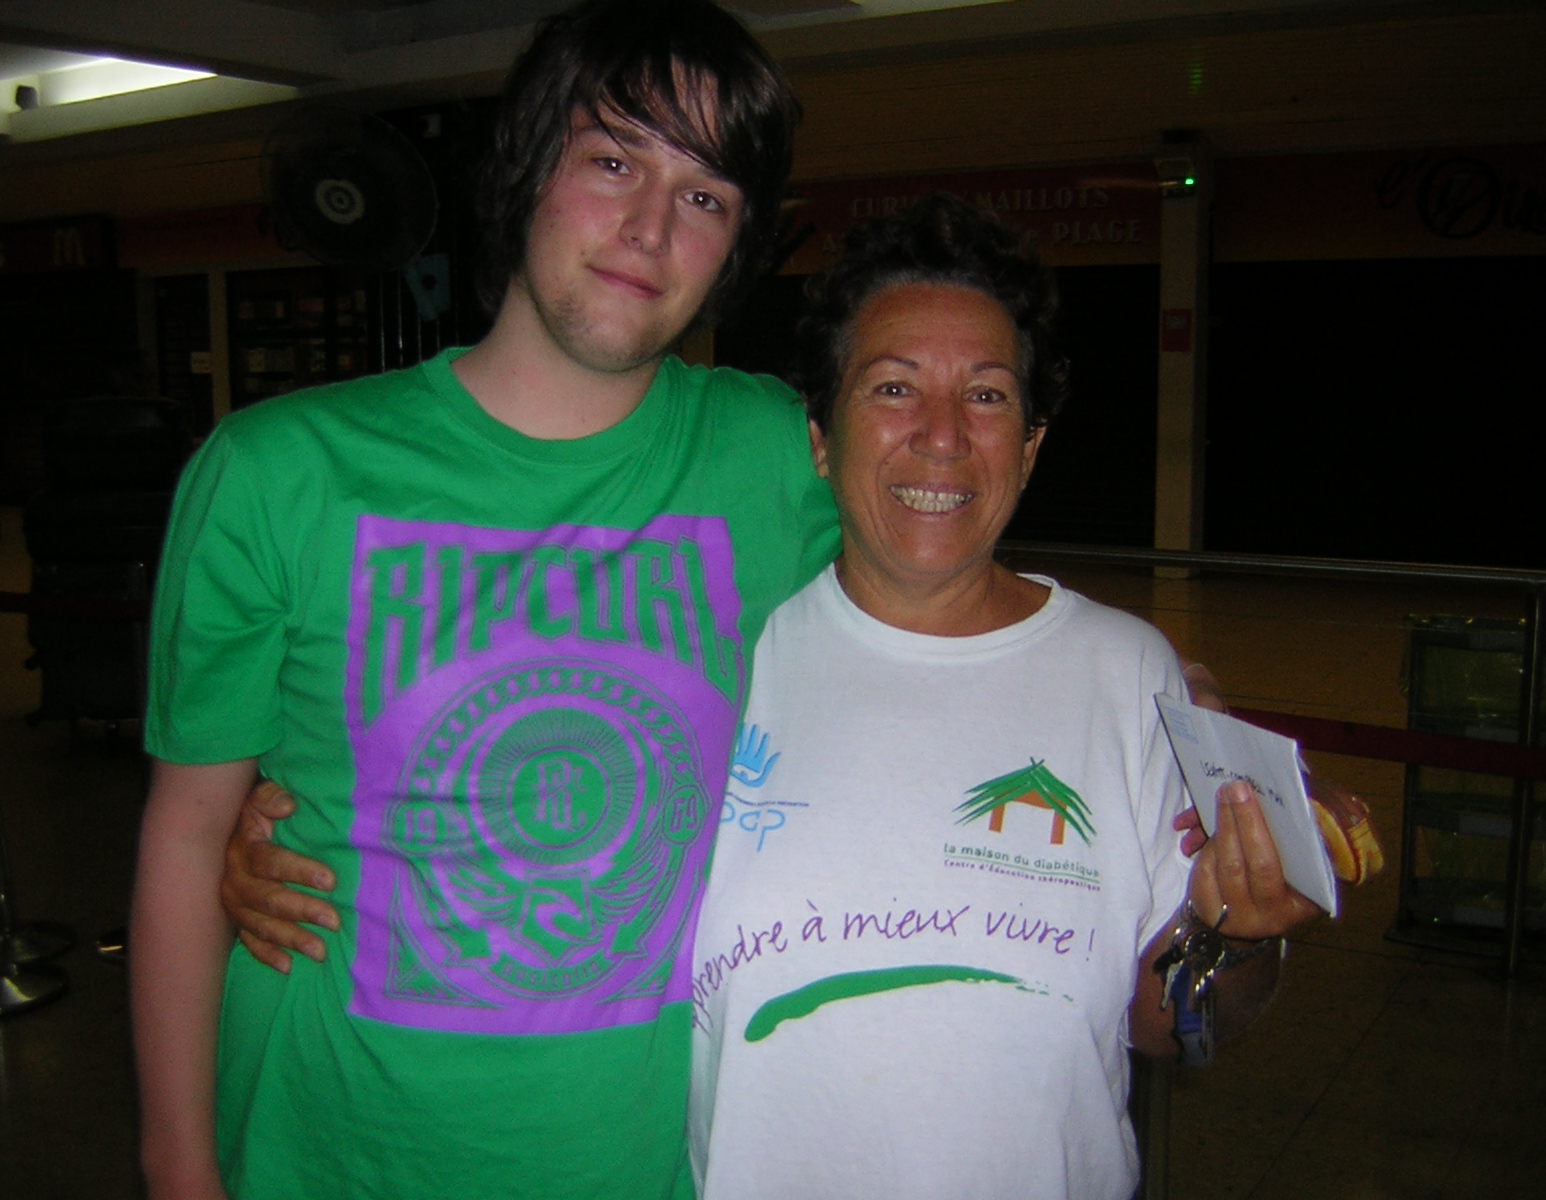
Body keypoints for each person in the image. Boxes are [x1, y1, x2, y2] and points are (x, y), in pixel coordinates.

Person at [225, 195, 1323, 1199]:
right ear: (817, 440)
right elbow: (523, 781)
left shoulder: (1127, 676)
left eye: (987, 396)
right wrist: (310, 833)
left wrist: (1234, 936)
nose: (942, 435)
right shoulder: (734, 656)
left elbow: (1171, 1029)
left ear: (1030, 447)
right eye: (892, 387)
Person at [128, 3, 835, 1199]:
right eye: (612, 161)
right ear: (526, 167)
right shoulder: (276, 472)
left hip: (640, 1161)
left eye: (706, 196)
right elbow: (188, 833)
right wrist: (178, 1165)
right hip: (326, 1151)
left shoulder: (771, 456)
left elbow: (947, 627)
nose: (651, 227)